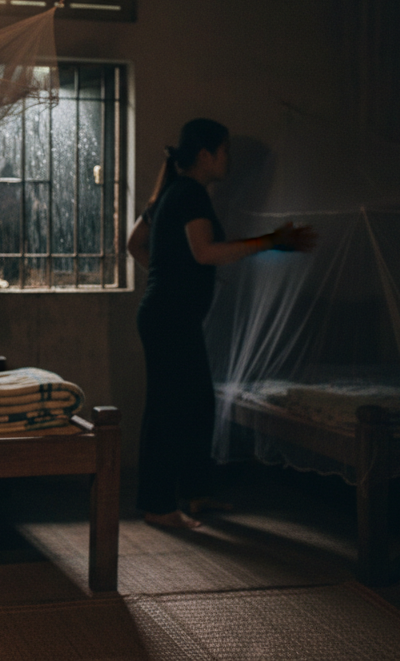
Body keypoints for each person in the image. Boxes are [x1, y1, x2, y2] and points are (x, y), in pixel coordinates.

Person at [128, 119, 315, 530]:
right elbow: (205, 251)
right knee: (167, 410)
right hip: (170, 318)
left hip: (168, 315)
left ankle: (196, 493)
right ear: (205, 155)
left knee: (197, 404)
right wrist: (271, 241)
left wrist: (174, 273)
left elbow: (134, 244)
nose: (229, 159)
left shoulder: (172, 191)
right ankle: (158, 505)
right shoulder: (191, 193)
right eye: (225, 150)